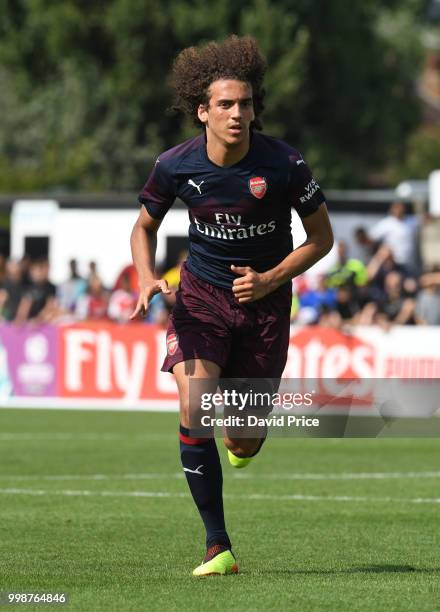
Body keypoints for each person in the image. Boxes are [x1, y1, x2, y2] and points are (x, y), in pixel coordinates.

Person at [130, 36, 333, 577]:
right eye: (225, 104)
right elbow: (144, 225)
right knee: (195, 404)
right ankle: (217, 546)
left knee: (242, 434)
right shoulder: (175, 165)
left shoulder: (286, 163)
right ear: (203, 111)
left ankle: (242, 443)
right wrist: (149, 275)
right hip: (200, 298)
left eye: (245, 104)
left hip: (265, 307)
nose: (238, 113)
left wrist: (269, 279)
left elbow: (321, 240)